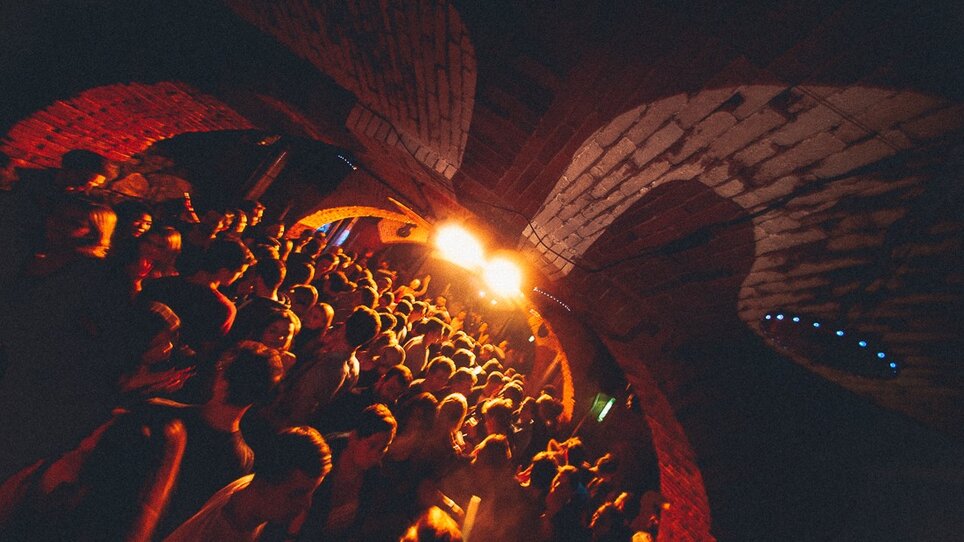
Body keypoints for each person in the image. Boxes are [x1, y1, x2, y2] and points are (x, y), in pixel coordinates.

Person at [165, 426, 331, 542]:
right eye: (297, 493)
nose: (306, 505)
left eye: (311, 493)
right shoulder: (216, 535)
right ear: (264, 484)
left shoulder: (247, 490)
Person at [140, 238, 255, 356]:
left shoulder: (161, 283)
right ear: (224, 271)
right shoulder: (222, 307)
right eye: (240, 272)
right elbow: (206, 351)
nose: (240, 277)